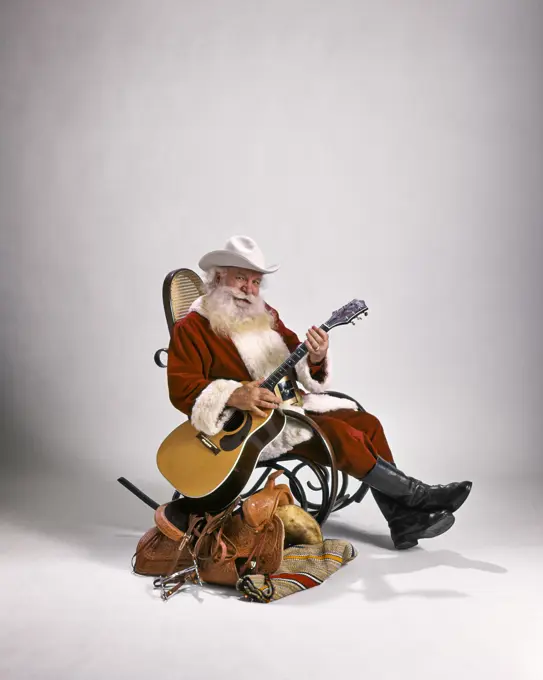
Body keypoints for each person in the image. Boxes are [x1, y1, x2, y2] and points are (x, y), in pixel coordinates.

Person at [166, 235, 472, 550]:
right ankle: (419, 496)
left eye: (256, 282)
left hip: (292, 407)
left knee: (368, 424)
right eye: (241, 278)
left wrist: (314, 356)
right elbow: (182, 388)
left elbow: (291, 353)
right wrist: (234, 394)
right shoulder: (193, 328)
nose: (249, 288)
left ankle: (402, 520)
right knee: (342, 436)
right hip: (253, 428)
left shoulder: (265, 314)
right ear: (218, 277)